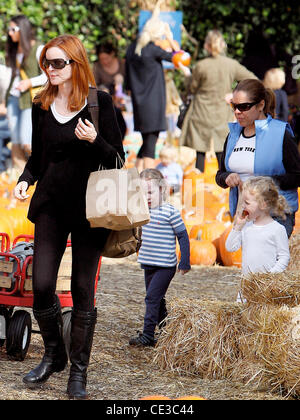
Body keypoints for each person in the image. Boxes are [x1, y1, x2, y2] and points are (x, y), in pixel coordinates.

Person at [13, 34, 124, 399]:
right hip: (50, 206)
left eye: (58, 63)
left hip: (90, 209)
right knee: (42, 284)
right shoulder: (41, 104)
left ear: (76, 64)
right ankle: (53, 355)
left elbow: (118, 160)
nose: (50, 69)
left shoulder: (99, 103)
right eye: (47, 62)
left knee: (81, 290)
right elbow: (37, 156)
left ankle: (78, 371)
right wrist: (25, 180)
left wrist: (95, 140)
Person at [215, 78, 300, 238]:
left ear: (260, 105)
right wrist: (227, 177)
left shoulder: (281, 134)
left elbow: (297, 176)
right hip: (244, 214)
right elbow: (220, 174)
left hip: (276, 214)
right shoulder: (233, 135)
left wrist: (265, 183)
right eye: (234, 106)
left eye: (244, 107)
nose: (237, 112)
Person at [179, 29, 256, 173]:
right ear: (222, 45)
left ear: (206, 46)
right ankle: (224, 187)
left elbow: (192, 88)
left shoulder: (201, 65)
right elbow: (253, 80)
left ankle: (200, 188)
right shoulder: (231, 64)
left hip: (201, 112)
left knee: (200, 151)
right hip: (222, 112)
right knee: (222, 150)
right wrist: (235, 94)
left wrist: (187, 74)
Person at [129, 169, 190, 347]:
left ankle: (148, 335)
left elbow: (183, 236)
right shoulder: (140, 211)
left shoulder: (169, 211)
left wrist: (185, 260)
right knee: (158, 299)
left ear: (162, 189)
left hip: (165, 265)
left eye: (150, 192)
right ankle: (167, 331)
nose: (146, 196)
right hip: (148, 263)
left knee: (151, 298)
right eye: (142, 192)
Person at [124, 5, 183, 172]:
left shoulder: (132, 49)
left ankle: (135, 179)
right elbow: (180, 58)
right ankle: (146, 184)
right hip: (154, 103)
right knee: (150, 145)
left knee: (146, 142)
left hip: (139, 104)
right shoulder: (152, 49)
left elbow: (127, 81)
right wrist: (170, 38)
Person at [225, 176, 290, 302]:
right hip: (246, 288)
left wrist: (269, 277)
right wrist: (237, 227)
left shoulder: (277, 229)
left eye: (247, 203)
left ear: (263, 205)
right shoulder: (246, 227)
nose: (243, 206)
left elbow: (284, 257)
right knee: (243, 318)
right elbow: (230, 247)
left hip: (266, 289)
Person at [5, 15, 47, 171]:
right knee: (15, 143)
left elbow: (48, 75)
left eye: (13, 29)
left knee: (26, 141)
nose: (10, 33)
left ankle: (44, 171)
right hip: (13, 99)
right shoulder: (14, 50)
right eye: (9, 29)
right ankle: (22, 183)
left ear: (23, 29)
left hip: (30, 100)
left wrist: (29, 82)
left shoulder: (39, 49)